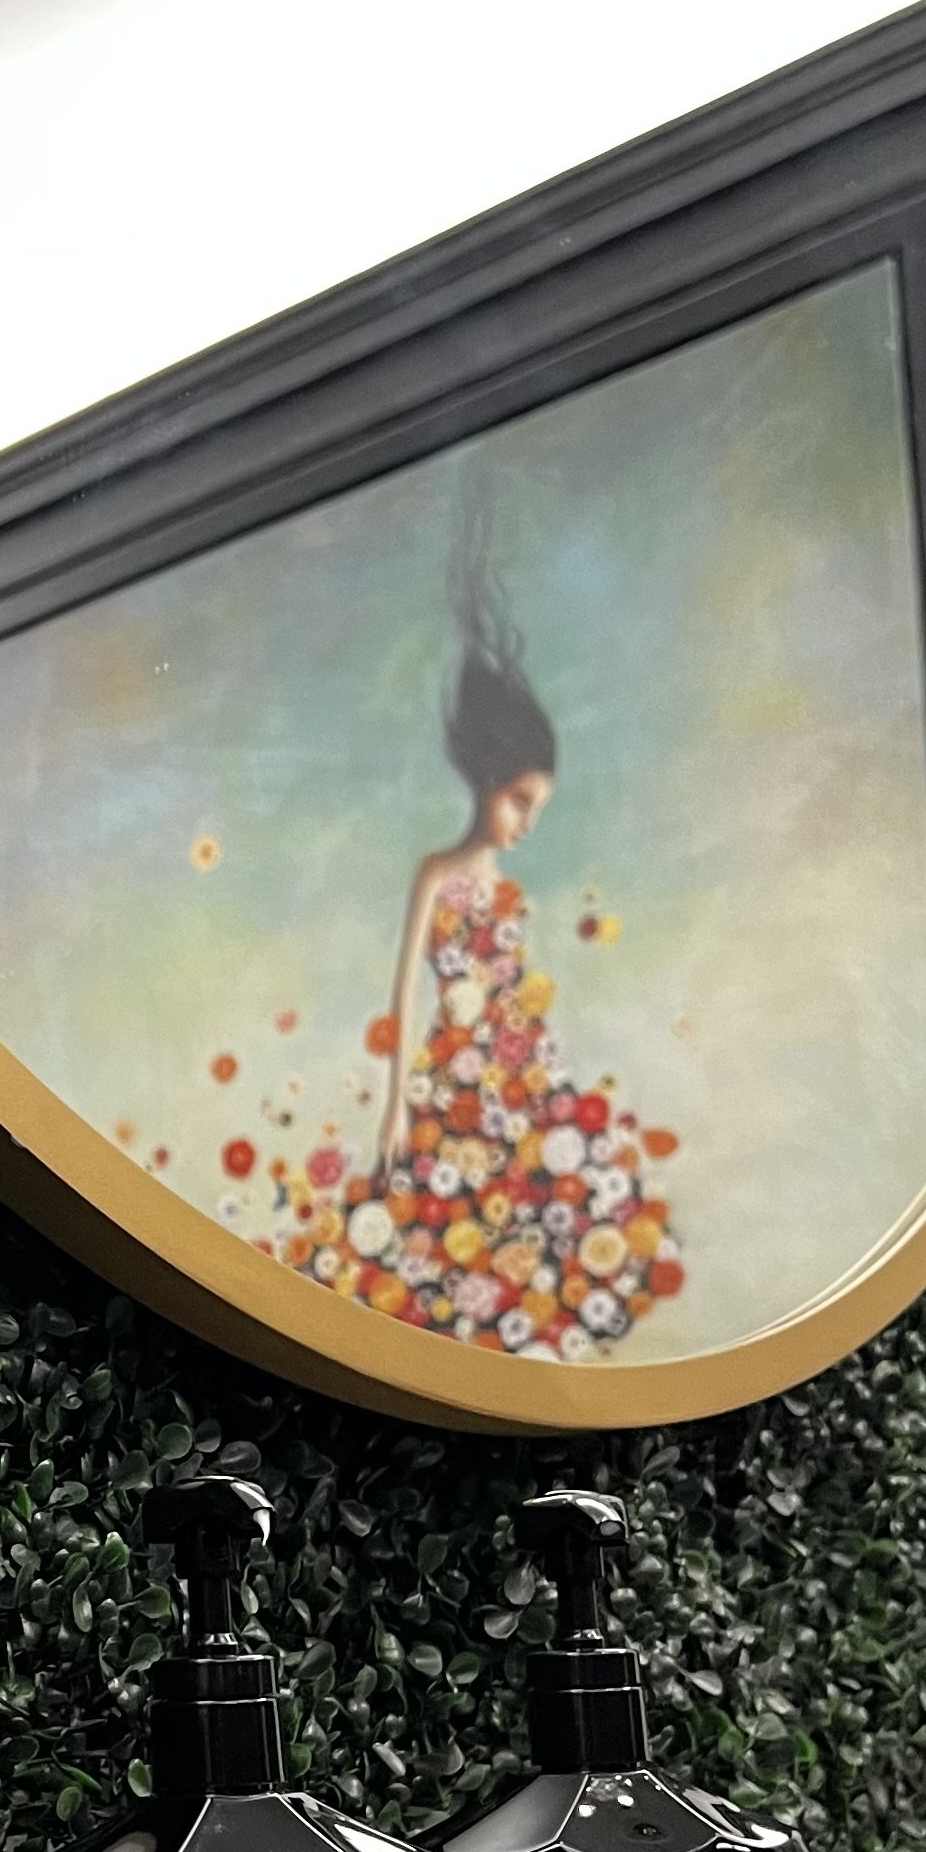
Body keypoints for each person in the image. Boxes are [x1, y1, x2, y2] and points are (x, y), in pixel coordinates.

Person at [296, 537, 685, 1359]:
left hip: (518, 1073)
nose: (525, 823)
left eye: (536, 808)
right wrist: (397, 1105)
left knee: (548, 1216)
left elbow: (519, 990)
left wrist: (538, 1070)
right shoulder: (438, 874)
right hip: (451, 1076)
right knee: (432, 1230)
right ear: (487, 782)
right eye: (519, 801)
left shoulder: (510, 891)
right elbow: (404, 997)